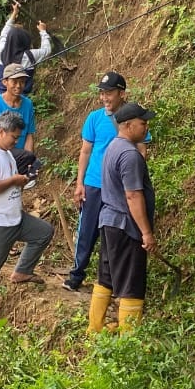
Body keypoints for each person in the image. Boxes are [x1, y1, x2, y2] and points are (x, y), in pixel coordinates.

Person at [63, 71, 150, 293]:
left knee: (114, 233)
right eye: (102, 93)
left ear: (122, 93)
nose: (104, 98)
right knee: (87, 230)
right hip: (93, 184)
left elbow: (142, 151)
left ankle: (110, 281)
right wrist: (79, 183)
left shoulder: (134, 120)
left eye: (109, 92)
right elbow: (85, 151)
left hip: (121, 188)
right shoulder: (94, 118)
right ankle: (76, 274)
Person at [0, 110, 55, 324]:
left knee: (44, 232)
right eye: (14, 137)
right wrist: (14, 181)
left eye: (18, 137)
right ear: (0, 131)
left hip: (13, 218)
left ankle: (22, 272)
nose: (16, 141)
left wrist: (22, 180)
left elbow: (8, 181)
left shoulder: (5, 153)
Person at [87, 102, 155, 334]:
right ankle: (128, 342)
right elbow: (133, 195)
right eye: (142, 123)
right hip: (126, 227)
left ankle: (94, 328)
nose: (146, 128)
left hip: (109, 222)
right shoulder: (130, 155)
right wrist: (146, 232)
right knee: (131, 283)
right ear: (127, 125)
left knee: (106, 277)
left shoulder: (114, 148)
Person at [0, 0, 51, 96]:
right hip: (19, 98)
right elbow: (47, 50)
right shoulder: (28, 56)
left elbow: (4, 32)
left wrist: (14, 13)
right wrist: (43, 31)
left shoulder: (2, 50)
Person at [0, 63, 37, 152]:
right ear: (5, 82)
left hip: (20, 154)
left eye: (22, 82)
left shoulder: (28, 104)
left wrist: (28, 158)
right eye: (14, 82)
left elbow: (29, 135)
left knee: (34, 163)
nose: (18, 86)